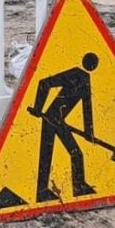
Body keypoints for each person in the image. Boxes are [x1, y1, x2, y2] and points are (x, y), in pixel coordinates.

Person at [26, 53, 100, 202]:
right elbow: (44, 83)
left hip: (56, 120)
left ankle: (70, 188)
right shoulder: (75, 74)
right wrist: (37, 108)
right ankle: (73, 188)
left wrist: (89, 132)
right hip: (52, 119)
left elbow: (87, 107)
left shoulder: (85, 80)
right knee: (59, 154)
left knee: (58, 154)